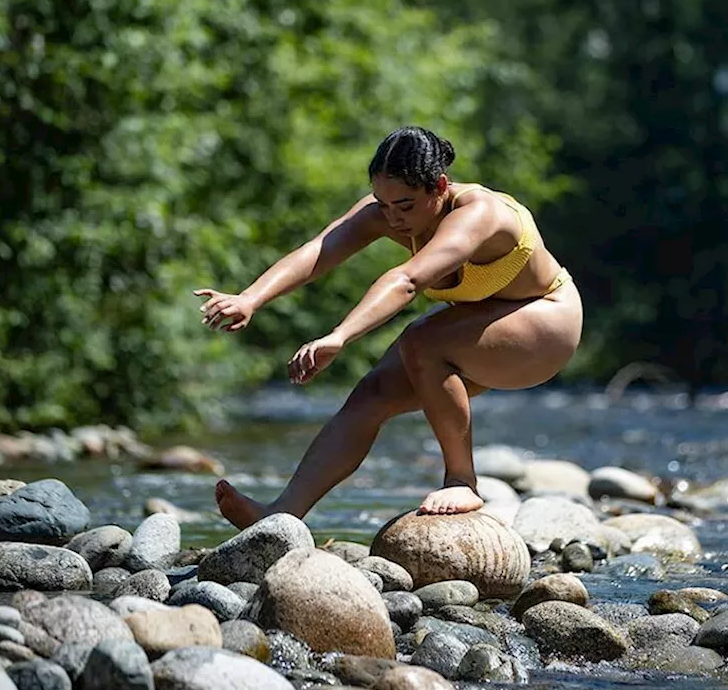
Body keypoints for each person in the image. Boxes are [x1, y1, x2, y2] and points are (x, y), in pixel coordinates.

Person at [194, 126, 583, 529]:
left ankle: (462, 481)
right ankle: (281, 513)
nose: (393, 218)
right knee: (372, 392)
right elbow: (320, 249)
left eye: (405, 205)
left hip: (547, 324)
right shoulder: (389, 212)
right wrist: (250, 297)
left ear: (440, 186)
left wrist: (339, 336)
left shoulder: (480, 214)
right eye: (383, 204)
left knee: (422, 341)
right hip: (476, 327)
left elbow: (407, 281)